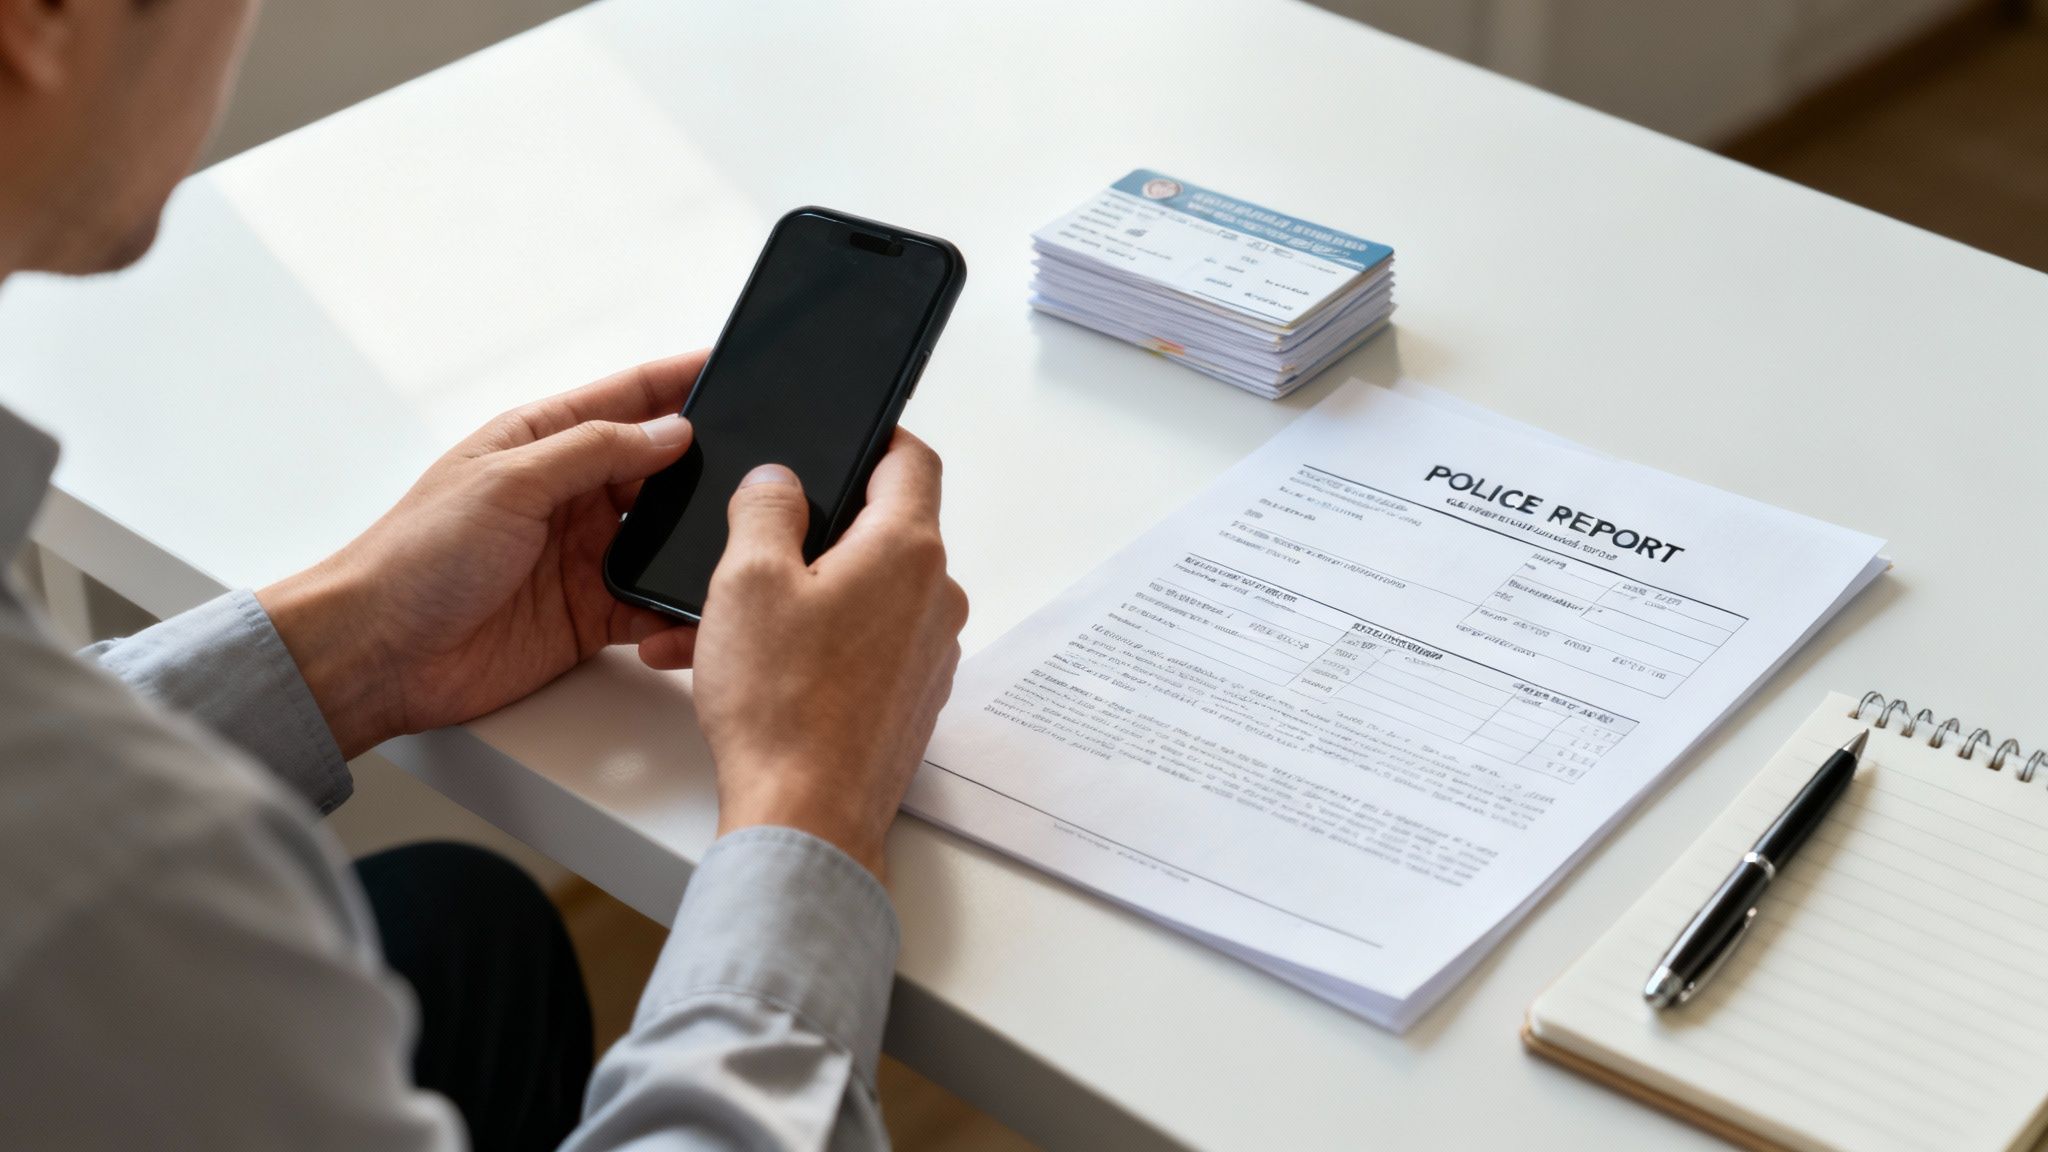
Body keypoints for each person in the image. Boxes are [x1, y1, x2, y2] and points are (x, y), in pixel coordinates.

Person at [0, 2, 969, 1149]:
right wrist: (812, 798)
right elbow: (68, 844)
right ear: (39, 24)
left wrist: (353, 642)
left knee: (464, 930)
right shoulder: (95, 889)